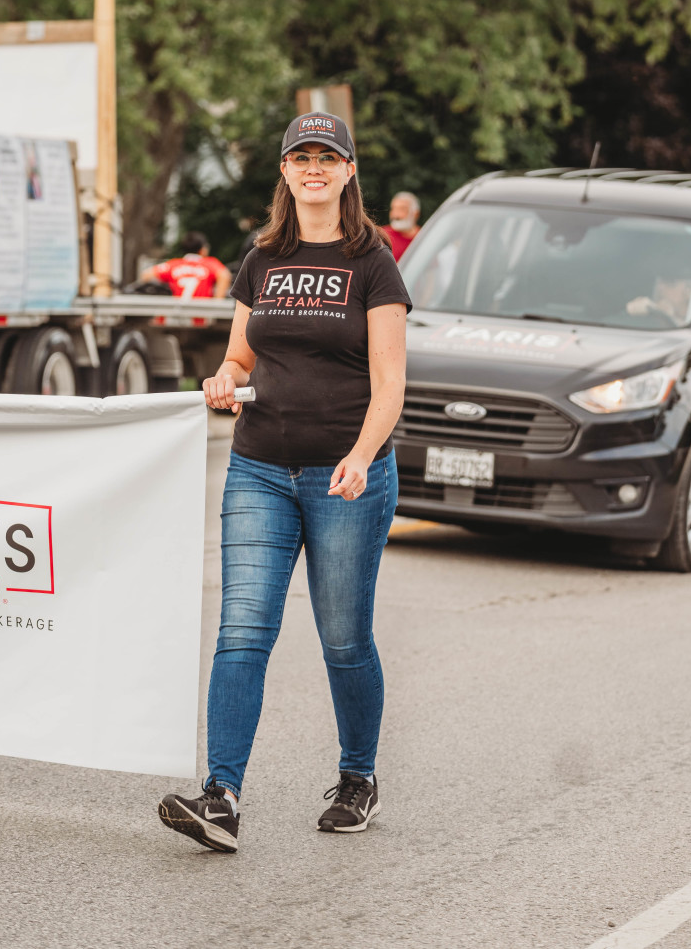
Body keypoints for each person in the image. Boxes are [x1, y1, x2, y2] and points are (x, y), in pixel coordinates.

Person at [158, 111, 409, 853]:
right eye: (301, 156)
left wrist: (363, 455)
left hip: (345, 477)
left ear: (348, 171)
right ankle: (221, 795)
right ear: (284, 171)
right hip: (258, 468)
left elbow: (391, 383)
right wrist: (222, 380)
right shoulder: (262, 258)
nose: (314, 168)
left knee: (342, 638)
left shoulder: (373, 263)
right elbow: (240, 358)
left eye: (327, 157)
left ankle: (357, 778)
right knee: (241, 632)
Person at [141, 231, 231, 298]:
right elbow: (225, 275)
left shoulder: (174, 264)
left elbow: (146, 275)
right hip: (201, 316)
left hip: (174, 315)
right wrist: (216, 303)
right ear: (203, 249)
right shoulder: (209, 264)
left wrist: (166, 287)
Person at [381, 191, 421, 261]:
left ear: (416, 214)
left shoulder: (424, 237)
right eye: (394, 209)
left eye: (402, 209)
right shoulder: (381, 236)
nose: (396, 215)